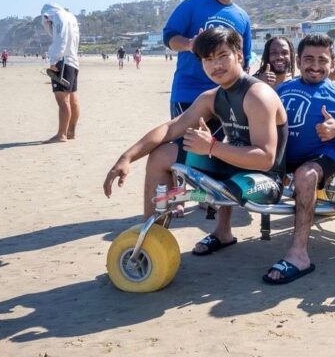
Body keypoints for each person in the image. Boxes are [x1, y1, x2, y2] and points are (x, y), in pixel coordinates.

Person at [103, 27, 287, 254]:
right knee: (162, 153)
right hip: (234, 166)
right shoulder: (213, 97)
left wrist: (211, 147)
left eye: (222, 56)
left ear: (239, 56)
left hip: (265, 180)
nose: (216, 65)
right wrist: (127, 157)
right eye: (208, 59)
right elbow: (171, 128)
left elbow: (266, 159)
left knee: (222, 189)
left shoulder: (258, 95)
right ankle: (152, 240)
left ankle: (217, 228)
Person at [266, 34, 335, 284]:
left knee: (306, 175)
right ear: (298, 61)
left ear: (333, 62)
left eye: (322, 60)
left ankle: (299, 254)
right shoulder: (281, 89)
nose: (315, 65)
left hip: (322, 156)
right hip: (285, 155)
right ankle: (221, 232)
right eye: (308, 59)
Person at [162, 0, 252, 140]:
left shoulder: (242, 16)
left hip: (226, 97)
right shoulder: (191, 5)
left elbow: (245, 59)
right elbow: (169, 37)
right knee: (184, 152)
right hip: (189, 92)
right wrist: (189, 44)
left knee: (216, 154)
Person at [41, 3, 80, 143]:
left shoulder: (58, 16)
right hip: (73, 61)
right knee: (73, 99)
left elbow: (60, 39)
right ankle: (70, 132)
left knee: (63, 100)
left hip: (62, 61)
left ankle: (61, 134)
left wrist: (54, 60)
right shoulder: (71, 17)